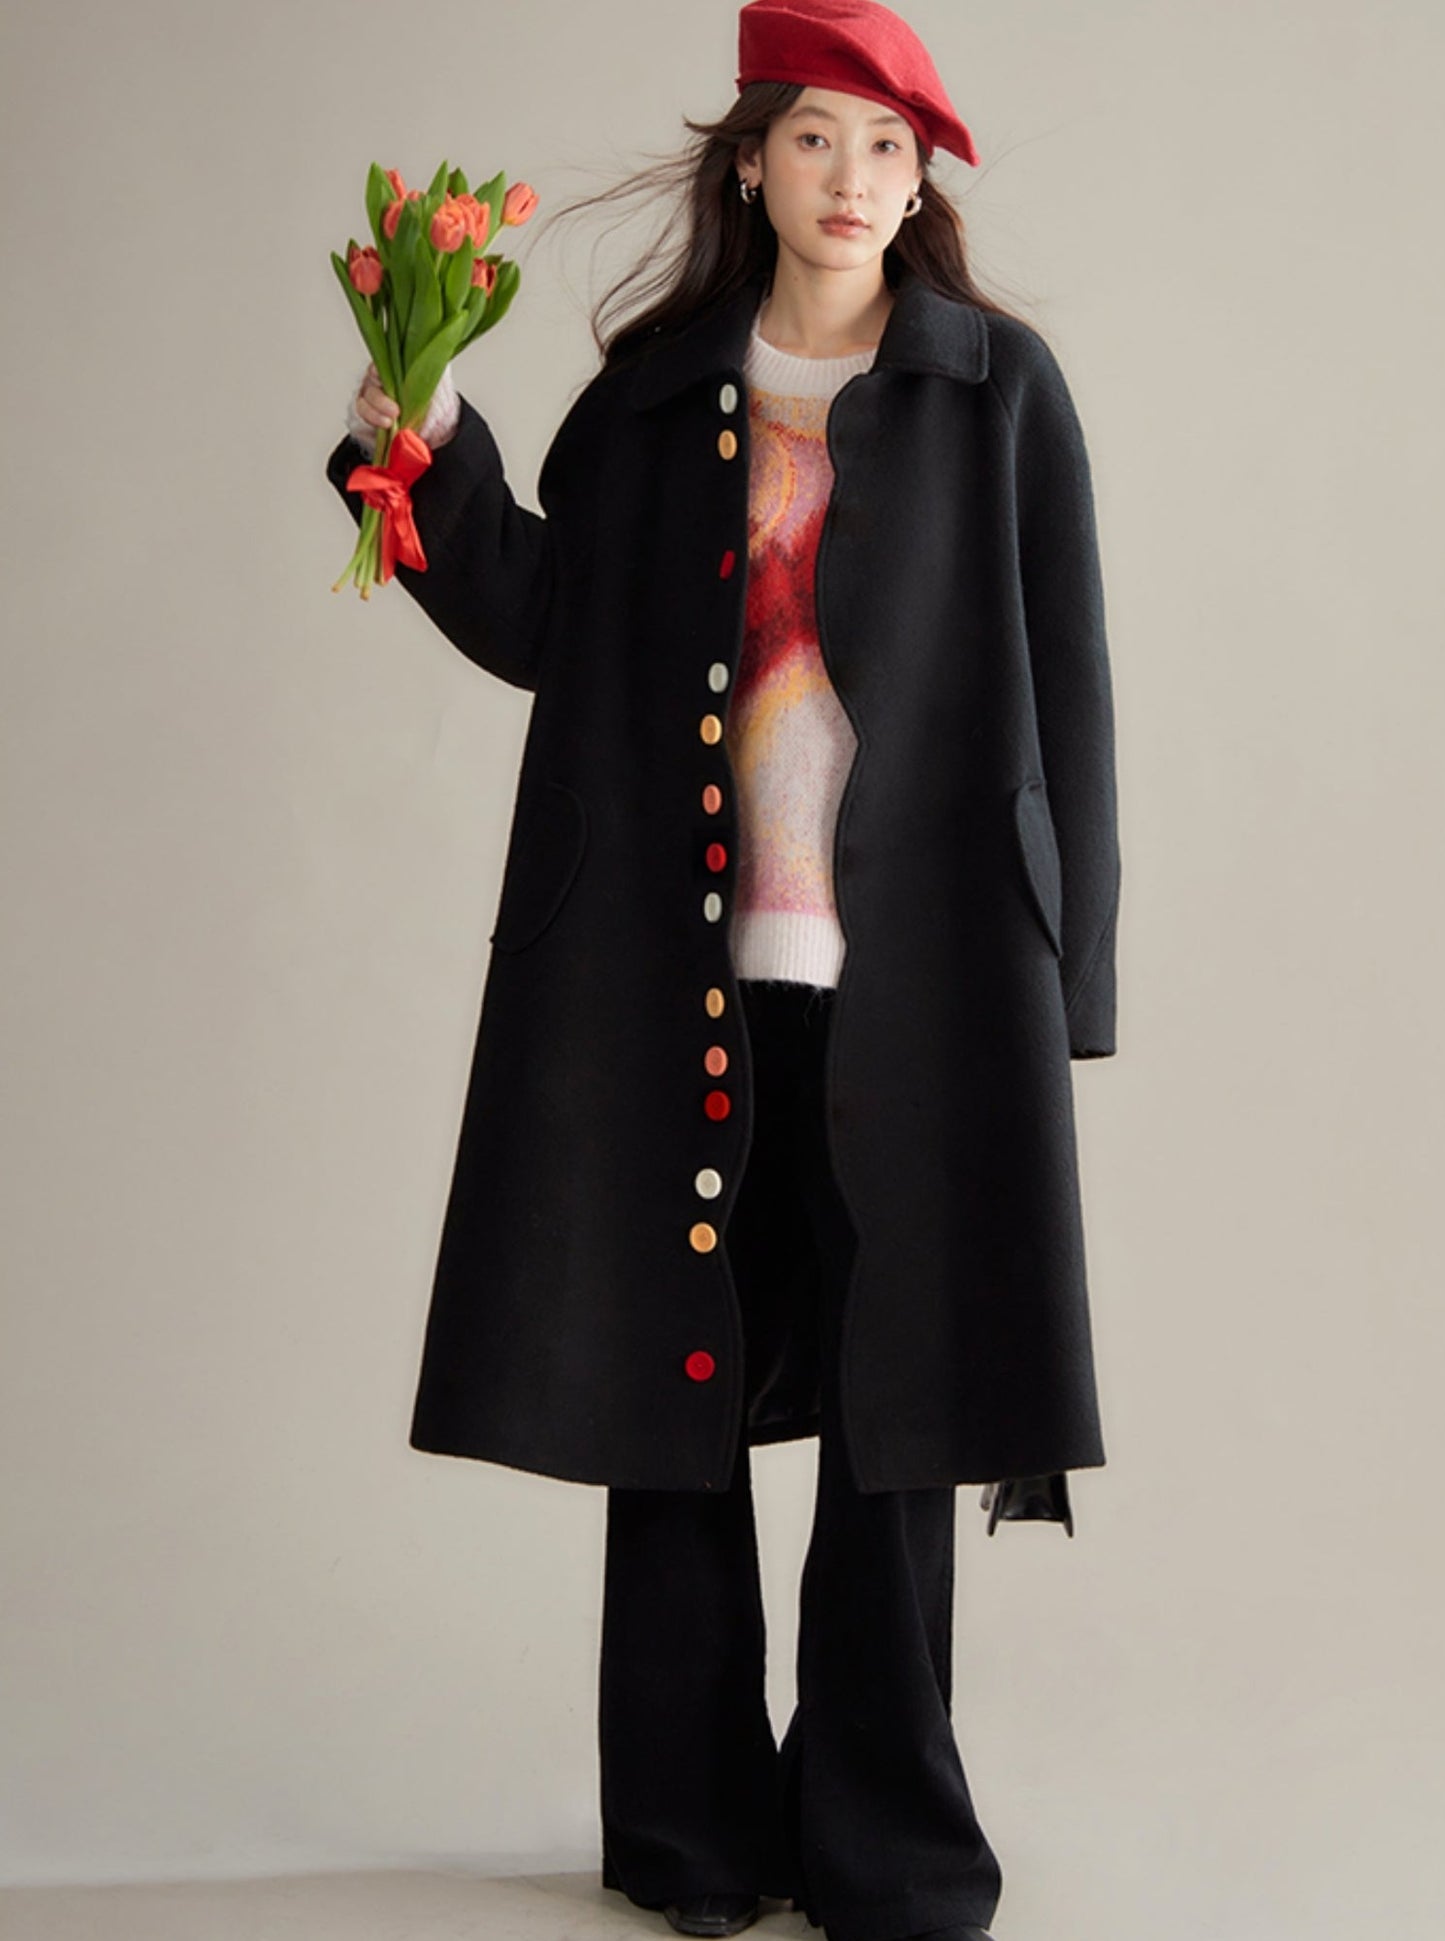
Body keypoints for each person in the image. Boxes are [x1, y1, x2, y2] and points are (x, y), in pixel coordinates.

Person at [327, 3, 1121, 1938]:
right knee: (667, 1405)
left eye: (889, 148)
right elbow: (543, 617)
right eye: (818, 138)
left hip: (927, 984)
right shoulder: (656, 391)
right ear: (750, 160)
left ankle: (887, 1850)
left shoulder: (996, 388)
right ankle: (688, 1839)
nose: (854, 179)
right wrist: (416, 455)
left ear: (918, 184)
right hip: (669, 972)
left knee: (897, 1418)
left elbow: (1071, 688)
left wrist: (1068, 980)